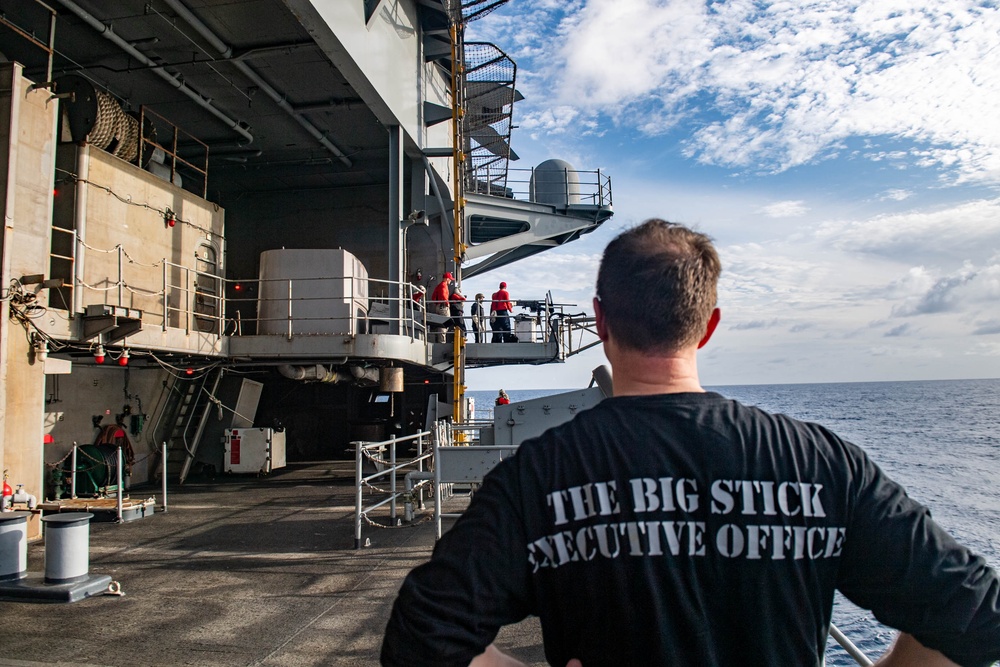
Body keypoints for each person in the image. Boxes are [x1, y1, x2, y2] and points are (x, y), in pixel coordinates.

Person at [382, 219, 1000, 666]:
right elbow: (976, 613)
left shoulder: (538, 475)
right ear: (709, 325)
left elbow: (419, 638)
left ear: (599, 322)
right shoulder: (822, 463)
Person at [430, 272, 452, 343]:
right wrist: (447, 303)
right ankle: (442, 341)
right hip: (443, 306)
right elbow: (443, 294)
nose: (450, 281)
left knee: (441, 323)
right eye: (450, 279)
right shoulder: (444, 285)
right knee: (445, 323)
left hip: (439, 306)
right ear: (447, 279)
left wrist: (437, 304)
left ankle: (441, 340)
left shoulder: (439, 285)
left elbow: (433, 297)